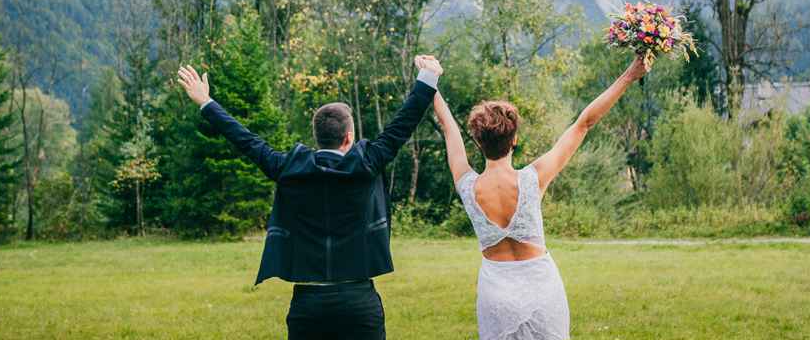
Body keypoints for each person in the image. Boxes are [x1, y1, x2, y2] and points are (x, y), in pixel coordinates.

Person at [176, 56, 442, 340]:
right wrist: (427, 77)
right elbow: (404, 122)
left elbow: (245, 139)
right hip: (358, 303)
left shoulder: (288, 169)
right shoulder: (367, 163)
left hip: (308, 305)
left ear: (317, 136)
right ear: (348, 138)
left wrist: (206, 102)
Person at [430, 55, 648, 339]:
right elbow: (584, 123)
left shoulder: (467, 185)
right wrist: (630, 75)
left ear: (478, 141)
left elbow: (448, 127)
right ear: (515, 140)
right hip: (541, 290)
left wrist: (430, 80)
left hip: (496, 296)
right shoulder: (533, 178)